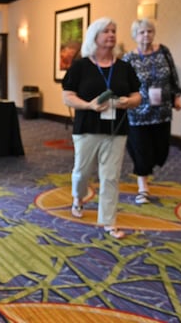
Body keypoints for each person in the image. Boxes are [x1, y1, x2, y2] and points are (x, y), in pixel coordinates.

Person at [62, 17, 141, 239]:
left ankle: (109, 221)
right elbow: (67, 97)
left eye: (114, 31)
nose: (111, 35)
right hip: (87, 127)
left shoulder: (124, 67)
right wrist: (88, 105)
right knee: (82, 173)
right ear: (94, 36)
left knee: (110, 176)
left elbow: (137, 95)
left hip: (116, 129)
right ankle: (78, 197)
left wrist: (128, 102)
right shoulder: (81, 66)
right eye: (106, 31)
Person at [122, 18, 181, 205]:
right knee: (141, 151)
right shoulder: (129, 58)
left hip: (162, 110)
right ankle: (143, 188)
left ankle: (148, 168)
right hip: (138, 113)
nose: (146, 35)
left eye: (149, 31)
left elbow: (173, 75)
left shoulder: (163, 51)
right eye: (141, 32)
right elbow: (124, 84)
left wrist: (177, 95)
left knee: (160, 151)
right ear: (135, 36)